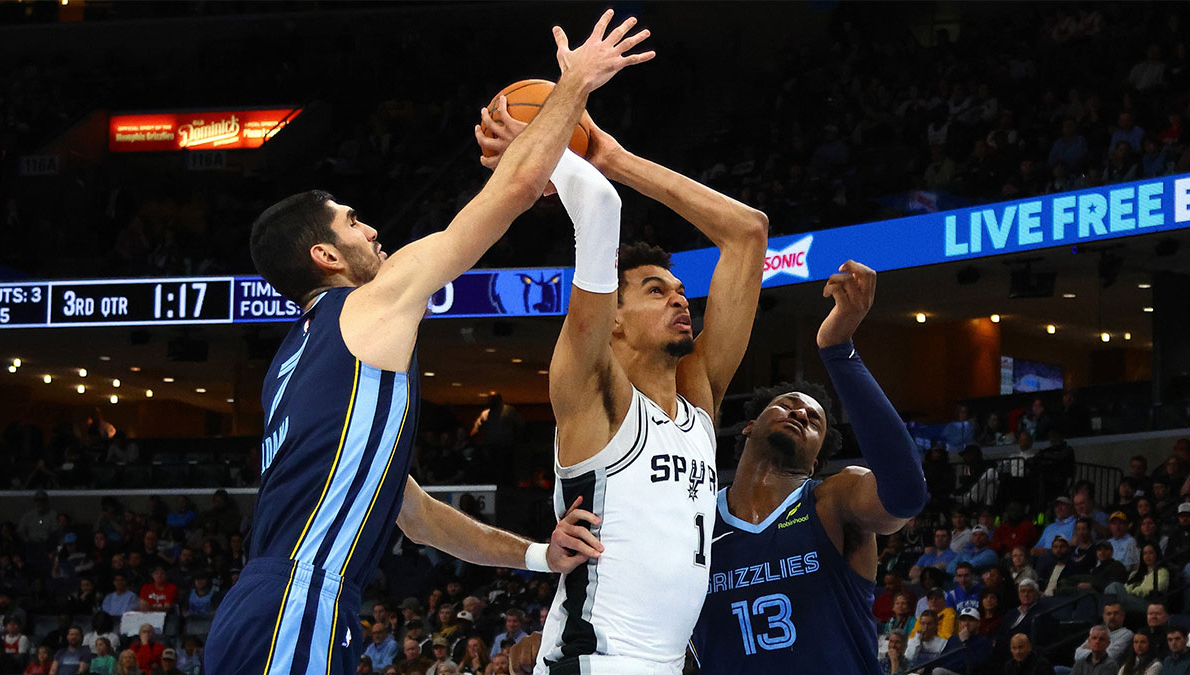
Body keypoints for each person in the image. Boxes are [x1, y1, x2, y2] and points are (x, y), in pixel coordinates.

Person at [203, 12, 652, 675]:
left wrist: (536, 554)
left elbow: (414, 513)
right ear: (325, 254)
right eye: (354, 223)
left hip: (260, 603)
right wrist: (575, 85)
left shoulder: (292, 365)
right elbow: (513, 190)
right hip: (300, 598)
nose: (374, 230)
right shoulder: (366, 305)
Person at [486, 31, 768, 675]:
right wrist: (554, 143)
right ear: (612, 317)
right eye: (654, 289)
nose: (680, 300)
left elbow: (747, 232)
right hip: (593, 661)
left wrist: (612, 155)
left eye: (679, 290)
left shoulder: (698, 400)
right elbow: (596, 220)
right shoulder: (595, 392)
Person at [683, 262, 926, 674]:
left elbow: (905, 493)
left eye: (814, 420)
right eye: (787, 405)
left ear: (816, 459)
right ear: (749, 425)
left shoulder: (833, 500)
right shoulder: (694, 519)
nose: (800, 413)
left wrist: (838, 349)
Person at [1106, 544, 1170, 616]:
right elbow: (1125, 588)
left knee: (1115, 587)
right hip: (1130, 599)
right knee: (1111, 588)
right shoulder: (1135, 574)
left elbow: (1159, 588)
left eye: (1150, 553)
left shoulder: (1162, 571)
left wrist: (1135, 591)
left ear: (1157, 554)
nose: (1147, 556)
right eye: (1145, 554)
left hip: (1148, 603)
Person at [929, 607, 992, 675]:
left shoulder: (983, 642)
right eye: (963, 620)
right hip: (947, 671)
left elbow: (974, 667)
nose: (966, 624)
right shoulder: (953, 639)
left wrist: (964, 642)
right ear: (959, 623)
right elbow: (941, 660)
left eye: (970, 620)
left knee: (938, 671)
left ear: (978, 624)